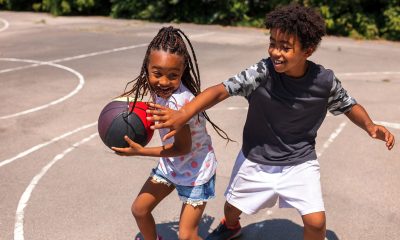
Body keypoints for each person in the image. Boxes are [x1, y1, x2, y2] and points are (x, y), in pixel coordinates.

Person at [144, 5, 396, 240]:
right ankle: (231, 226)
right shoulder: (262, 72)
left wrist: (370, 126)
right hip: (256, 158)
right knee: (232, 208)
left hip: (300, 161)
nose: (275, 51)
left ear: (307, 51)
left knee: (317, 222)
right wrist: (185, 113)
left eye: (285, 47)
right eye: (272, 43)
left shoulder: (324, 81)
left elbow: (349, 105)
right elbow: (221, 90)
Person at [111, 26, 231, 240]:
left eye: (173, 76)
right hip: (172, 166)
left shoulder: (180, 104)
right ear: (146, 69)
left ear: (182, 73)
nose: (164, 82)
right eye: (157, 73)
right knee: (140, 209)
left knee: (187, 236)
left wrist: (140, 151)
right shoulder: (158, 90)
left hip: (196, 172)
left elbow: (181, 148)